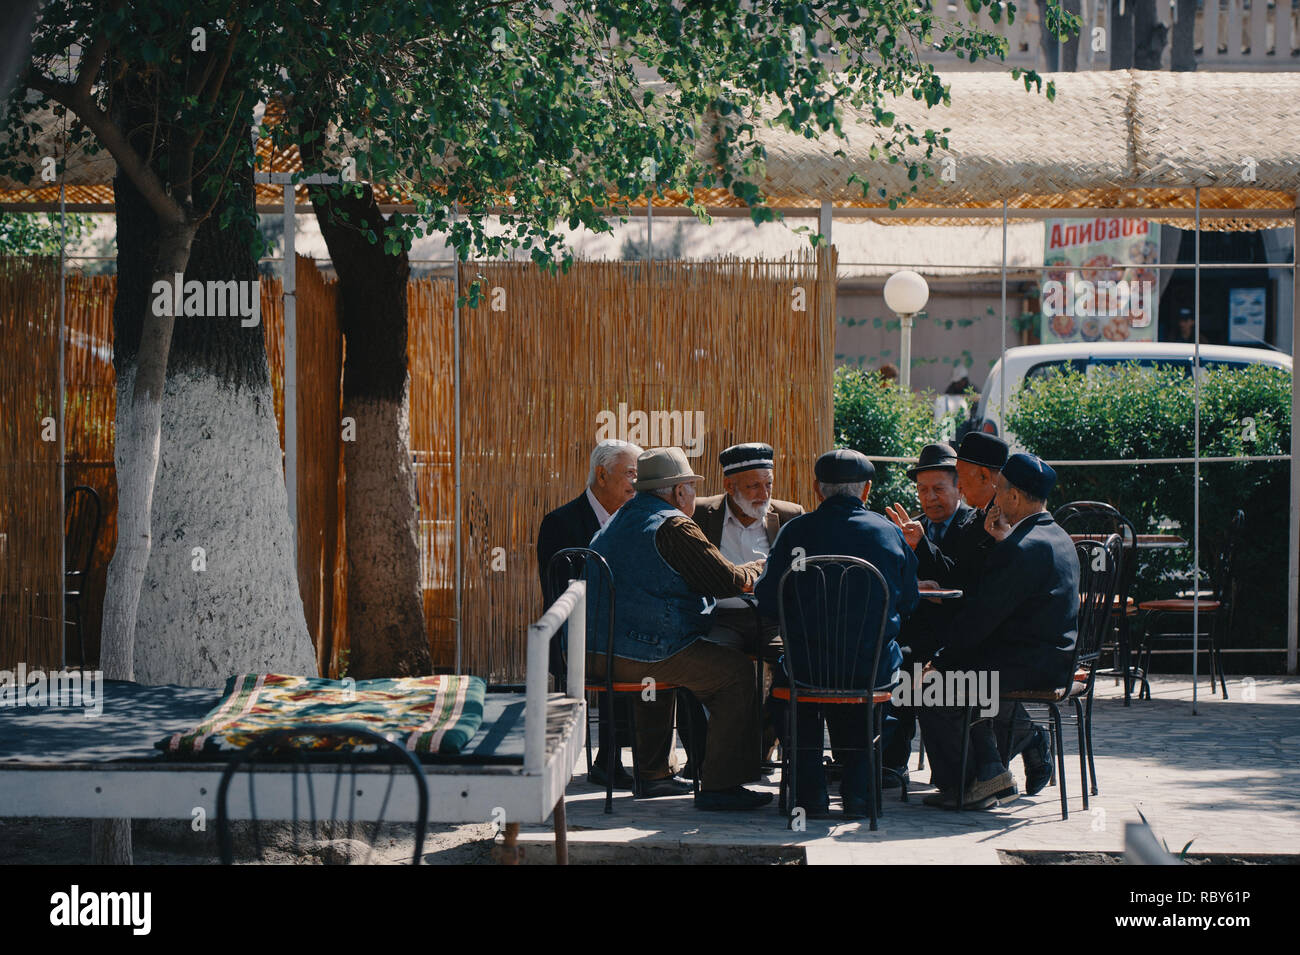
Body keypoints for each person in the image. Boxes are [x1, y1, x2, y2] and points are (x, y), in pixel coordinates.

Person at [587, 447, 773, 811]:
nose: (692, 494)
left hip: (594, 652)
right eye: (689, 485)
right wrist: (757, 568)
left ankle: (653, 775)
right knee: (734, 672)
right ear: (677, 492)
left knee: (663, 668)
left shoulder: (623, 516)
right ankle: (721, 786)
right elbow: (726, 581)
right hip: (638, 655)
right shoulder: (674, 523)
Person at [754, 449, 918, 819]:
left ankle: (809, 793)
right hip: (868, 669)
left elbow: (766, 601)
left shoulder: (796, 532)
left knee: (788, 699)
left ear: (817, 488)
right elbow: (908, 602)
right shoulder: (889, 534)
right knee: (881, 683)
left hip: (806, 669)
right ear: (867, 490)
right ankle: (859, 793)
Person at [916, 453, 1080, 810]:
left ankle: (967, 787)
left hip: (1026, 664)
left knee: (928, 687)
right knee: (966, 674)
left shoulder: (1022, 548)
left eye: (1000, 492)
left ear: (1015, 498)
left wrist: (939, 662)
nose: (995, 499)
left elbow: (979, 619)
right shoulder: (1057, 537)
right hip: (1053, 659)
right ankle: (991, 767)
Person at [687, 443, 804, 773]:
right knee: (702, 664)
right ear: (729, 486)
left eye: (768, 484)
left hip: (771, 618)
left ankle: (763, 746)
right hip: (720, 616)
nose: (763, 493)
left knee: (794, 665)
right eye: (753, 485)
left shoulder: (789, 515)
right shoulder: (700, 514)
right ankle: (702, 761)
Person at [536, 438, 642, 790]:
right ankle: (605, 759)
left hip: (624, 630)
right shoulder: (560, 523)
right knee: (621, 652)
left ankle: (647, 761)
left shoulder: (637, 520)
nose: (636, 484)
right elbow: (558, 593)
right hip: (576, 634)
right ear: (601, 475)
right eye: (630, 474)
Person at [879, 442, 965, 778]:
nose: (929, 498)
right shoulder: (910, 528)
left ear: (959, 487)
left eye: (939, 489)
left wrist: (922, 550)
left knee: (913, 661)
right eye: (922, 489)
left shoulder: (974, 526)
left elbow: (964, 580)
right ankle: (891, 759)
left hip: (957, 633)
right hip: (915, 628)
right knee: (894, 656)